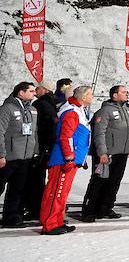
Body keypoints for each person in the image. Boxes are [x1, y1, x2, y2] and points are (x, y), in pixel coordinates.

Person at [40, 85, 93, 235]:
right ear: (83, 97)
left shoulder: (79, 110)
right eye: (90, 94)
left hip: (72, 158)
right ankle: (50, 224)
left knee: (62, 193)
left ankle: (57, 220)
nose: (92, 97)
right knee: (56, 191)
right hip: (63, 159)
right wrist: (69, 157)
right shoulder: (72, 112)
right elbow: (66, 136)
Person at [80, 84, 129, 222]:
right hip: (107, 155)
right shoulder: (104, 111)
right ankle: (89, 210)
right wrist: (102, 152)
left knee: (114, 182)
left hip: (122, 153)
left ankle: (106, 208)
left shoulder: (128, 109)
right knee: (98, 181)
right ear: (114, 95)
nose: (127, 94)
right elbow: (99, 133)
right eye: (124, 92)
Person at [0, 82, 39, 228]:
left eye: (34, 91)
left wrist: (35, 151)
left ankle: (12, 218)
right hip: (8, 157)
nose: (34, 93)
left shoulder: (32, 110)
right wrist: (1, 154)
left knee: (18, 189)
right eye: (30, 91)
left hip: (25, 158)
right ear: (20, 93)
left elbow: (34, 133)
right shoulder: (7, 109)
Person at [26, 82, 58, 219]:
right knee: (40, 178)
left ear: (44, 90)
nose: (35, 92)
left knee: (34, 179)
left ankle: (34, 208)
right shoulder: (53, 103)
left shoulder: (40, 104)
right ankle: (39, 206)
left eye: (37, 89)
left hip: (40, 146)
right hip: (49, 146)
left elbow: (38, 127)